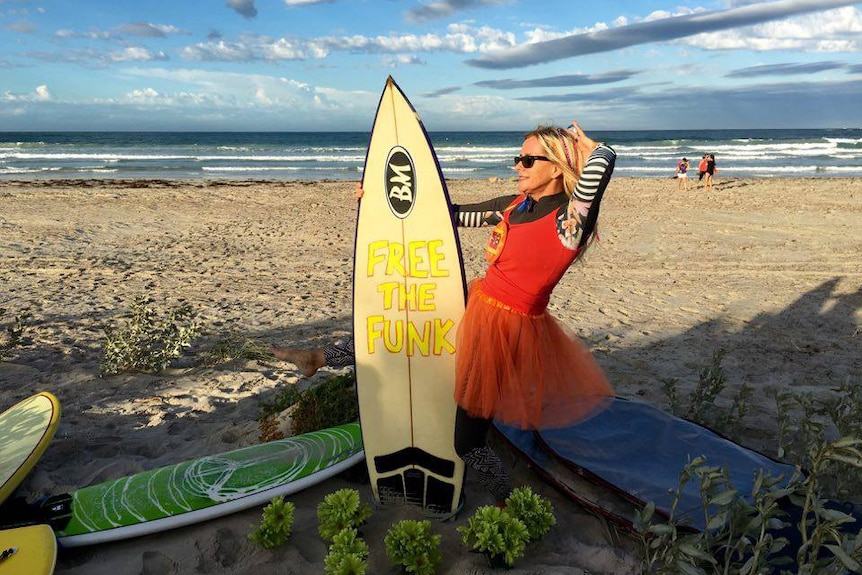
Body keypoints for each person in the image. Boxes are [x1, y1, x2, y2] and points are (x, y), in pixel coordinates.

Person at [271, 122, 617, 504]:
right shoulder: (512, 207)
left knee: (467, 442)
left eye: (528, 159)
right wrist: (374, 205)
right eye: (518, 157)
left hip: (505, 333)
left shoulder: (568, 223)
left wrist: (594, 148)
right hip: (476, 305)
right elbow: (442, 215)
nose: (518, 165)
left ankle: (510, 501)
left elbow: (602, 165)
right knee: (402, 332)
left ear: (555, 168)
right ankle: (318, 359)